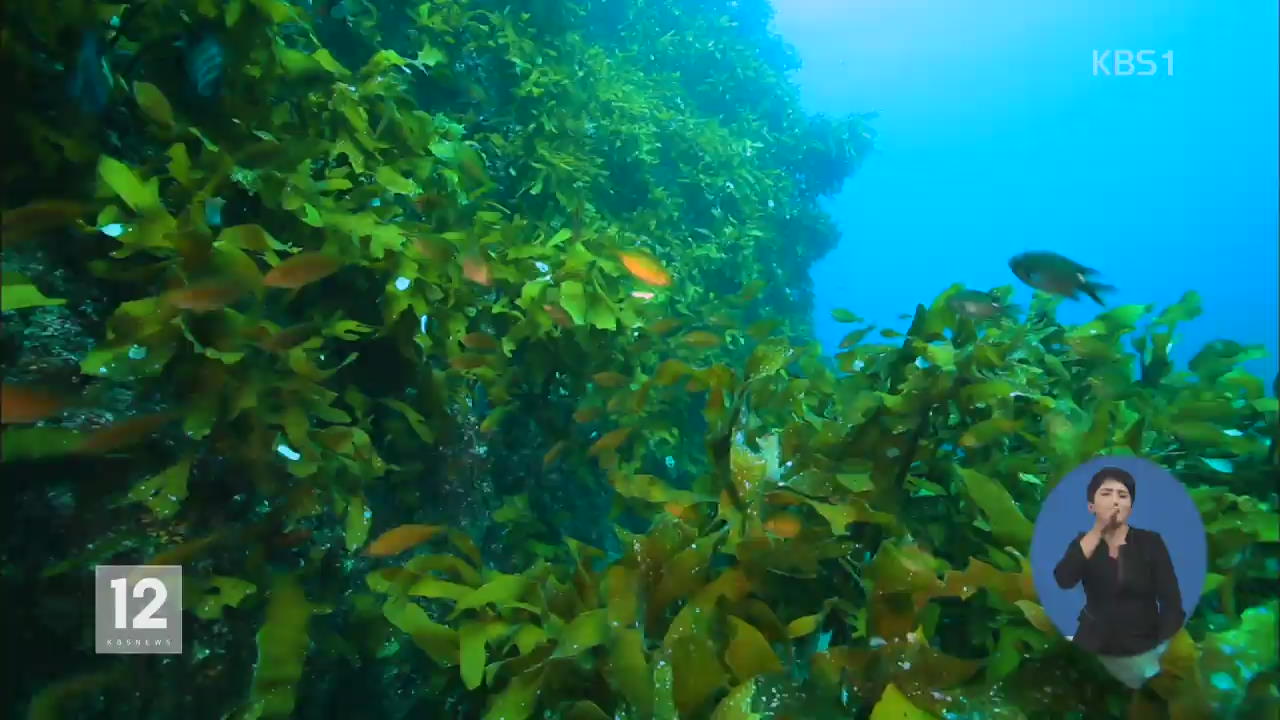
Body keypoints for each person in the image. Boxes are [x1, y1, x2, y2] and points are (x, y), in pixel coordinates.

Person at [1053, 466, 1185, 673]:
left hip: (1142, 643)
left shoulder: (1150, 542)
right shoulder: (1083, 543)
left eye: (1122, 495)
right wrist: (1098, 531)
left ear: (1130, 507)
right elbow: (1064, 579)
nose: (1115, 501)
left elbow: (1172, 603)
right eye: (1106, 494)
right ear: (1091, 506)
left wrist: (1158, 650)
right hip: (1092, 641)